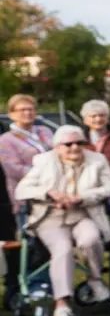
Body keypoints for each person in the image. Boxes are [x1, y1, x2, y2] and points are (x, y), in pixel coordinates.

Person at [15, 126, 110, 316]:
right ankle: (62, 304)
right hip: (50, 217)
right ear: (57, 147)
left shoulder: (97, 160)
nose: (74, 147)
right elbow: (21, 190)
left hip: (82, 213)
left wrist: (82, 197)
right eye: (68, 144)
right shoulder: (43, 161)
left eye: (79, 142)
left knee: (91, 238)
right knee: (62, 249)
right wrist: (49, 192)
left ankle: (95, 280)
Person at [3, 94, 54, 296]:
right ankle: (32, 286)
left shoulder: (45, 131)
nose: (27, 113)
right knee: (31, 242)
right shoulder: (6, 140)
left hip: (53, 196)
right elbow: (14, 169)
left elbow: (59, 154)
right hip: (26, 199)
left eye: (30, 109)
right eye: (22, 110)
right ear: (11, 114)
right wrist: (46, 172)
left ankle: (48, 284)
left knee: (51, 239)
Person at [81, 100, 110, 171]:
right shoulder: (79, 140)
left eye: (102, 115)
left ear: (108, 118)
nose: (98, 119)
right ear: (85, 120)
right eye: (93, 116)